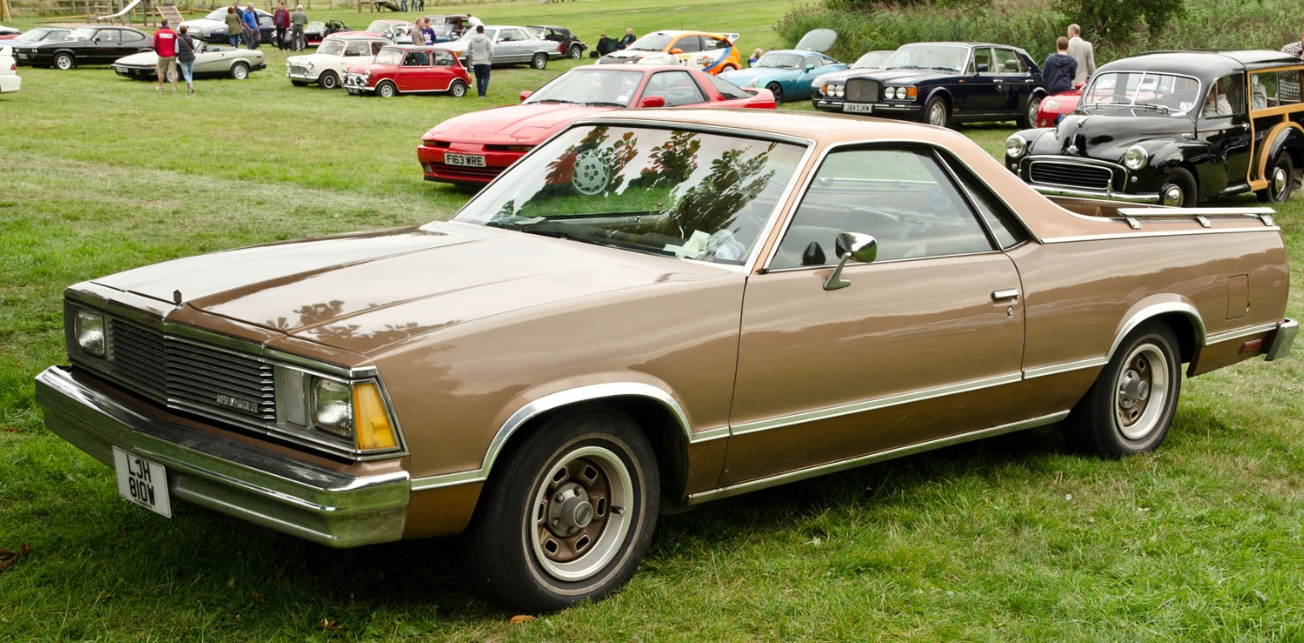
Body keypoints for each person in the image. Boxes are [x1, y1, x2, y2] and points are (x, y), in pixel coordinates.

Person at [153, 19, 179, 92]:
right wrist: (176, 53)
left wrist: (158, 52)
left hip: (162, 54)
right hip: (172, 54)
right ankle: (174, 88)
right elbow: (177, 43)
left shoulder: (157, 33)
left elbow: (155, 44)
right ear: (167, 24)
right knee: (173, 71)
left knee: (161, 71)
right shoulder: (173, 33)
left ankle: (161, 86)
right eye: (169, 23)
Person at [467, 24, 492, 98]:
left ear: (476, 31)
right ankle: (483, 93)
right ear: (483, 31)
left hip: (476, 61)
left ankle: (479, 92)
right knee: (486, 77)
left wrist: (471, 58)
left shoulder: (472, 40)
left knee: (478, 78)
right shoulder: (487, 40)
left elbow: (468, 50)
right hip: (485, 61)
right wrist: (490, 58)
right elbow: (491, 51)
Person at [176, 25, 197, 93]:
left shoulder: (178, 40)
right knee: (190, 72)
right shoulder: (191, 39)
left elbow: (176, 50)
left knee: (185, 74)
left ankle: (190, 85)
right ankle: (189, 87)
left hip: (183, 58)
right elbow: (194, 47)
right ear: (186, 31)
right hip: (191, 57)